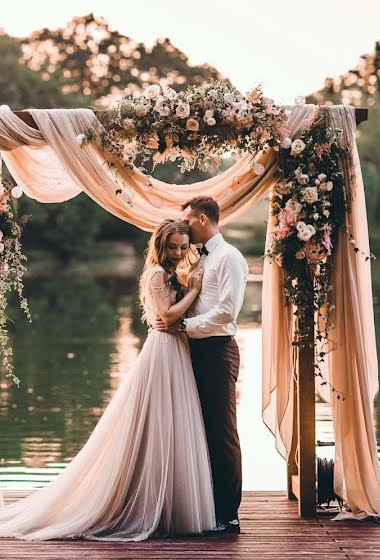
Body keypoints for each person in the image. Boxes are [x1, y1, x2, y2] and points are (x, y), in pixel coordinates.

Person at [0, 219, 216, 541]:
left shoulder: (173, 274)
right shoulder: (157, 274)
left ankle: (169, 501)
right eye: (173, 246)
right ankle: (141, 503)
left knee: (173, 424)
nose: (179, 252)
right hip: (164, 350)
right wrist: (195, 288)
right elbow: (168, 317)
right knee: (154, 423)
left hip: (176, 350)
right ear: (160, 245)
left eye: (184, 246)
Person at [155, 196, 249, 534]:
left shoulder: (230, 259)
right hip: (191, 351)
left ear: (204, 219)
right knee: (196, 430)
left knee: (222, 432)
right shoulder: (197, 258)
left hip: (217, 351)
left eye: (189, 220)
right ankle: (204, 507)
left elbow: (227, 312)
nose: (185, 226)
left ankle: (228, 513)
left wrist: (182, 327)